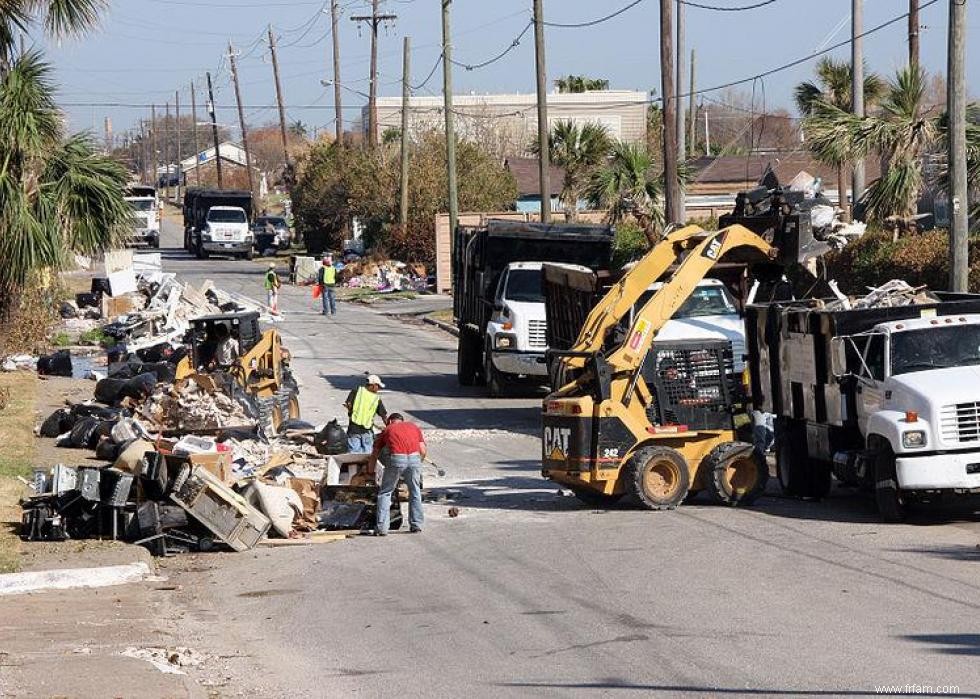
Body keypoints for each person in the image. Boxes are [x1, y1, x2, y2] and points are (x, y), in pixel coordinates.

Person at [371, 413, 426, 535]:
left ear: (390, 421)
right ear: (402, 421)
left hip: (396, 458)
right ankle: (416, 525)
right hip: (414, 458)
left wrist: (370, 469)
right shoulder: (413, 427)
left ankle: (382, 528)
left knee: (386, 492)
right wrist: (416, 464)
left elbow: (375, 452)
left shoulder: (388, 429)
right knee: (415, 490)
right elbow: (422, 450)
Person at [345, 374, 387, 453]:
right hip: (367, 431)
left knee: (353, 455)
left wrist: (350, 412)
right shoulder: (376, 399)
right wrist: (389, 427)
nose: (378, 389)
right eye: (378, 386)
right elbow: (383, 415)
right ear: (373, 385)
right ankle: (366, 465)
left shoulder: (357, 391)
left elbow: (348, 404)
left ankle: (354, 465)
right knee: (367, 455)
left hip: (353, 429)